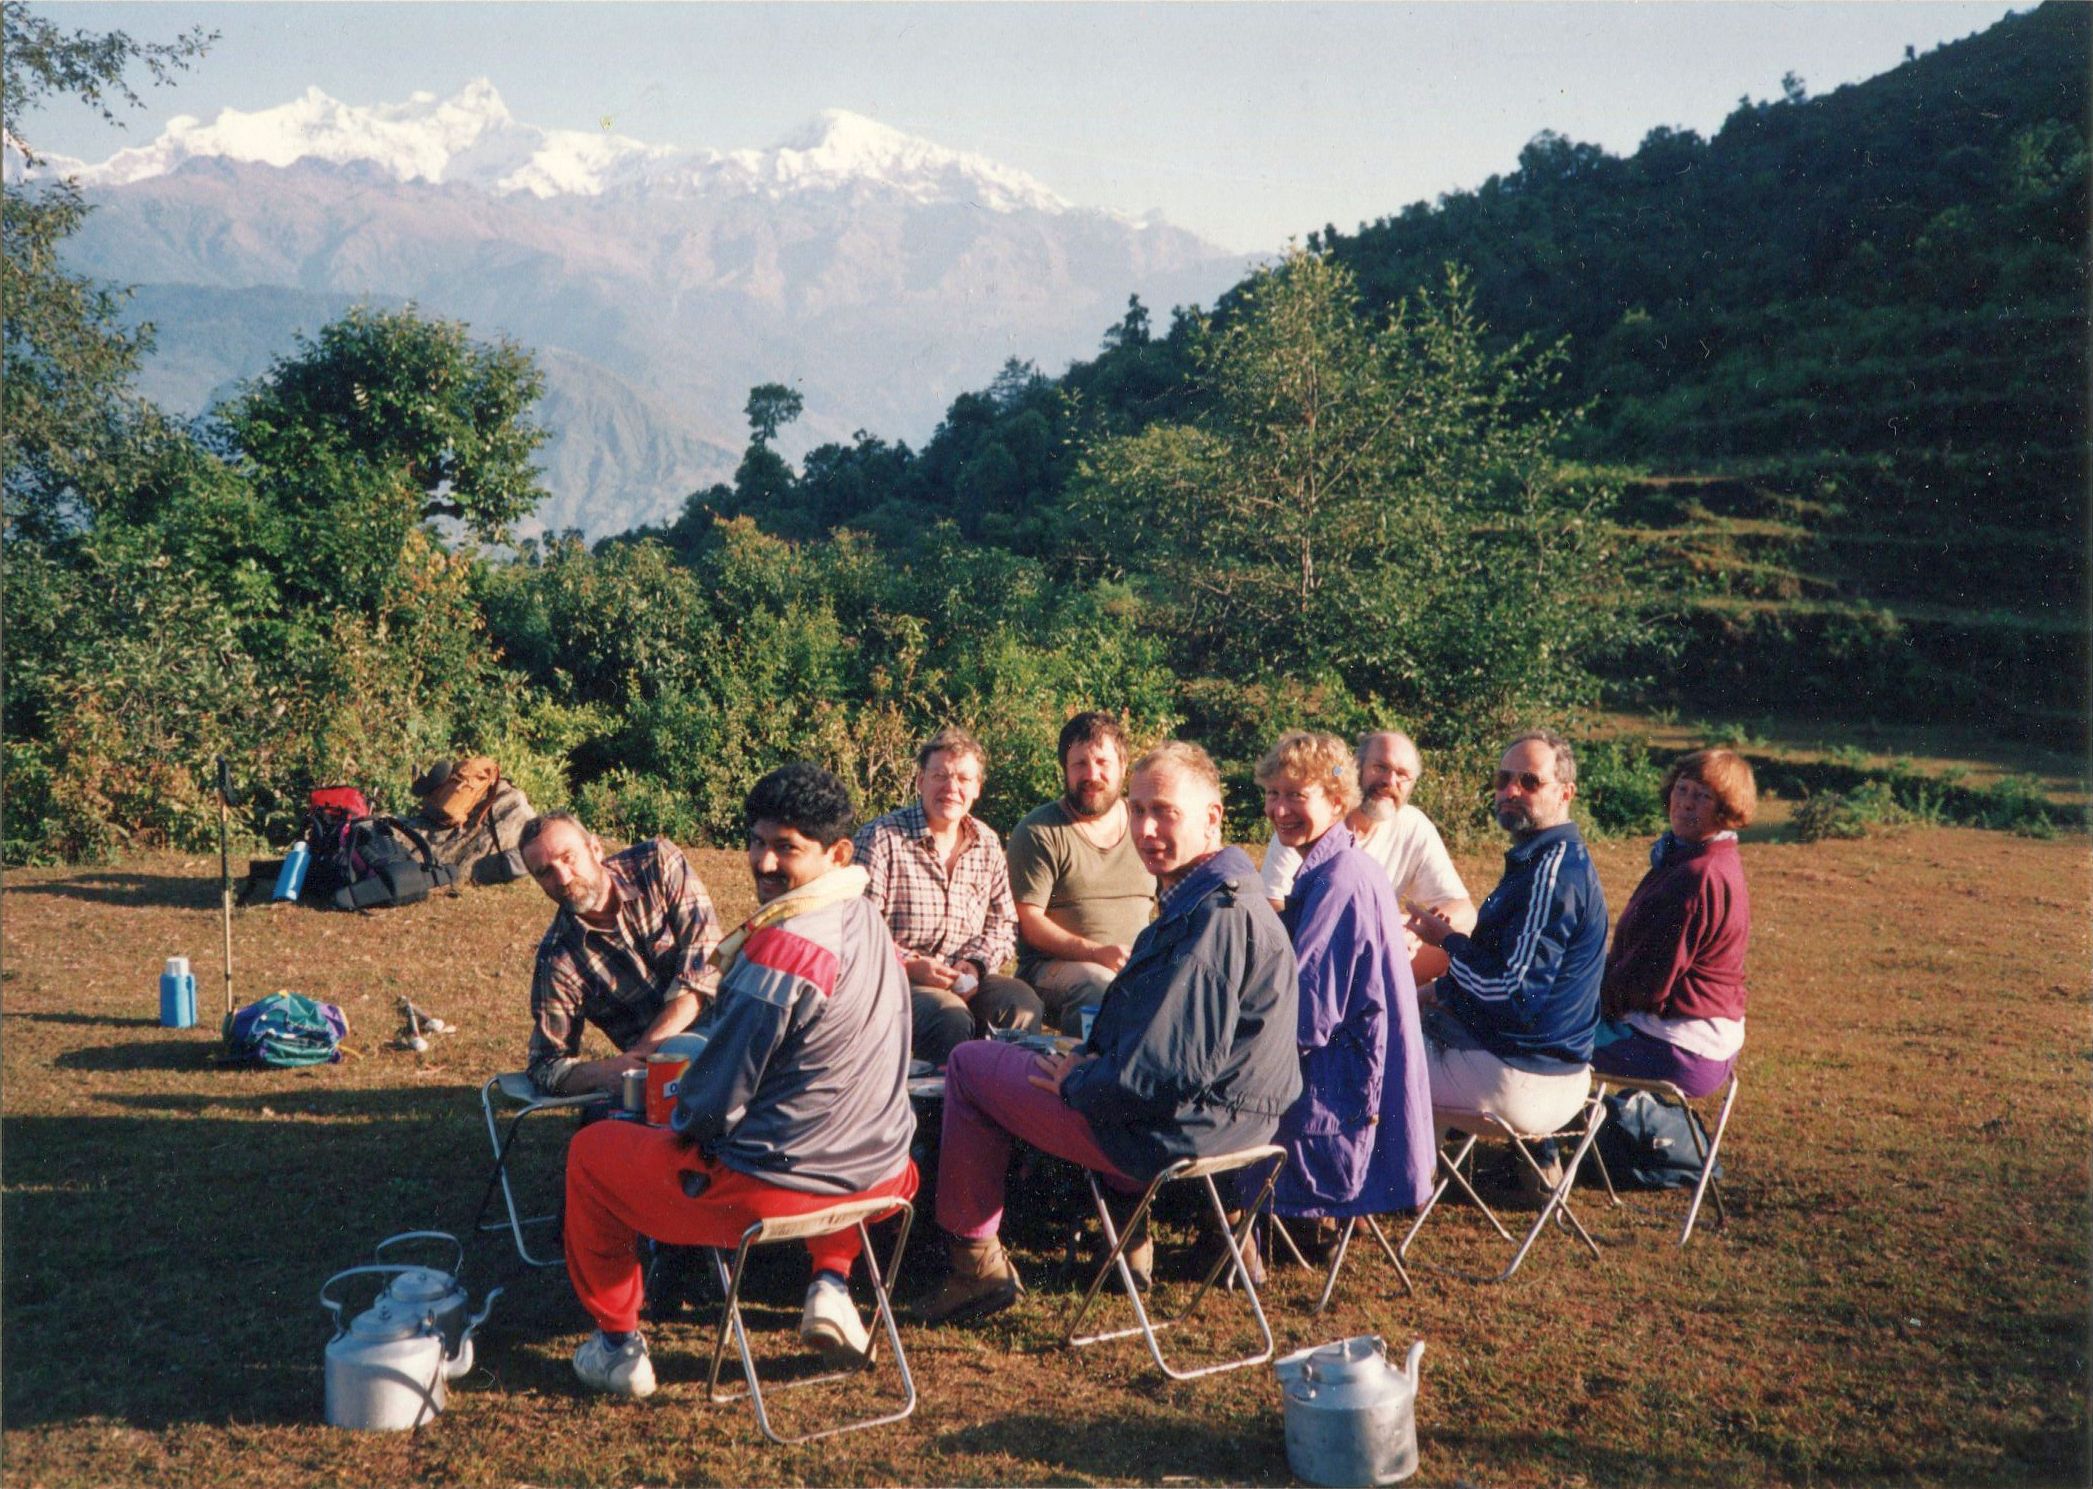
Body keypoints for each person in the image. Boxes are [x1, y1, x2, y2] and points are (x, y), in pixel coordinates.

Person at [561, 763, 918, 1398]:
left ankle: (617, 1345)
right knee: (831, 1124)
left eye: (787, 848)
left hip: (777, 1190)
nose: (765, 862)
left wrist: (665, 1118)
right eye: (757, 841)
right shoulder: (868, 920)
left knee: (592, 1153)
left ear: (838, 853)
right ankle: (829, 1284)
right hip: (884, 1173)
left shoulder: (784, 946)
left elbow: (709, 1105)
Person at [916, 741, 1302, 1325]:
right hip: (1238, 1127)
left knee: (971, 1065)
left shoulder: (1212, 922)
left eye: (1165, 812)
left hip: (1174, 1134)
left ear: (1212, 817)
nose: (1146, 829)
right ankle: (1121, 1230)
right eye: (1139, 810)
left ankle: (972, 1268)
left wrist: (1080, 1079)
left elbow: (1160, 1073)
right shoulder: (1228, 897)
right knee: (1044, 1050)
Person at [1256, 731, 1435, 1227]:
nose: (1280, 809)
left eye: (1296, 795)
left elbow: (1308, 1016)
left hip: (1341, 1094)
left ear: (1337, 803)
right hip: (1356, 1075)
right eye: (1273, 794)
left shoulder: (1338, 881)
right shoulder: (1344, 863)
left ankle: (1232, 1231)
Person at [1408, 730, 1607, 1161]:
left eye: (1530, 782)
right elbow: (1507, 974)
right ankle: (1412, 1177)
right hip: (1549, 1071)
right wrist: (1429, 992)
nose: (1510, 791)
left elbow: (1514, 994)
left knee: (1354, 1046)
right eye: (1502, 779)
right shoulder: (1543, 860)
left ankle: (1340, 1201)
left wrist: (1449, 943)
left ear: (1565, 792)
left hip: (1520, 1076)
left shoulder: (1550, 875)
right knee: (1397, 1021)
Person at [855, 727, 1044, 1066]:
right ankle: (937, 1113)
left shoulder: (986, 843)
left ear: (977, 788)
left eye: (963, 778)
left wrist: (976, 964)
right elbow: (859, 929)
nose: (951, 788)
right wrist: (909, 965)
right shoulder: (881, 838)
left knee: (1021, 1003)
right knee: (949, 1016)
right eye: (939, 775)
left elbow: (1003, 924)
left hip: (966, 976)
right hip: (898, 978)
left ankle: (1001, 1102)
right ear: (920, 781)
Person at [519, 812, 722, 1095]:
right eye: (545, 872)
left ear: (595, 848)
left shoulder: (657, 863)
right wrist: (608, 1071)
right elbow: (545, 1065)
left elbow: (708, 963)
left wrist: (644, 1051)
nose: (563, 878)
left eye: (568, 858)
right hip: (669, 1063)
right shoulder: (558, 959)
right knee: (686, 1055)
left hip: (732, 1016)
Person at [1594, 748, 1755, 1098]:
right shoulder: (1695, 857)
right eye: (1682, 789)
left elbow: (1647, 983)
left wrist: (1580, 997)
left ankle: (1538, 1145)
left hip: (1678, 1049)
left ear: (1725, 809)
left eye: (1703, 796)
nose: (1685, 803)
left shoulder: (1697, 875)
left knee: (1538, 1033)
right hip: (1702, 1039)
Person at [1260, 730, 1476, 984]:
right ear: (1357, 768)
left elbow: (1464, 910)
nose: (1389, 781)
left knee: (1460, 948)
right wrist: (1381, 930)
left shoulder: (1413, 825)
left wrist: (1407, 929)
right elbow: (1272, 910)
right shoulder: (1307, 823)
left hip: (1379, 955)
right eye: (1380, 767)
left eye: (1402, 775)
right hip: (1316, 958)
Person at [1005, 712, 1157, 1035]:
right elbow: (1029, 923)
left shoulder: (1145, 824)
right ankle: (1082, 1076)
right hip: (1053, 969)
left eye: (1103, 763)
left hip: (1137, 961)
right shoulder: (1039, 831)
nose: (1092, 775)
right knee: (1100, 987)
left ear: (1123, 767)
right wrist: (1097, 953)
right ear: (1065, 769)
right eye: (1080, 765)